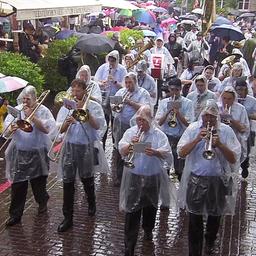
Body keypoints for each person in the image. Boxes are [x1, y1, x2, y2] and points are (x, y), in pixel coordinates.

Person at [177, 99, 241, 256]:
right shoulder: (193, 129)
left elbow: (233, 158)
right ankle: (195, 250)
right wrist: (197, 139)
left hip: (218, 181)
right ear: (201, 115)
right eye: (206, 116)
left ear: (217, 116)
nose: (208, 120)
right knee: (194, 219)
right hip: (195, 179)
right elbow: (181, 153)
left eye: (212, 116)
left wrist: (219, 145)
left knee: (215, 216)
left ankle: (210, 240)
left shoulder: (226, 131)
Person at [119, 105, 176, 256]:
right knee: (132, 211)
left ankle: (148, 230)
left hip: (152, 176)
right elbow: (121, 149)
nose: (140, 124)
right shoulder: (130, 132)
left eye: (144, 120)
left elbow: (168, 154)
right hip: (134, 176)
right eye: (138, 120)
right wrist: (131, 145)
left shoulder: (159, 135)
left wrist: (156, 152)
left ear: (150, 120)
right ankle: (129, 245)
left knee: (150, 206)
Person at [56, 79, 107, 232]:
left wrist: (85, 113)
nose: (75, 93)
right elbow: (61, 130)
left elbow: (98, 126)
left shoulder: (94, 106)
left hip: (86, 146)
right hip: (70, 146)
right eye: (73, 90)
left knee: (87, 179)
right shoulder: (67, 106)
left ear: (84, 91)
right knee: (68, 182)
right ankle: (68, 217)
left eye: (78, 90)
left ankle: (92, 203)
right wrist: (69, 120)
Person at [4, 86, 56, 227]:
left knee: (38, 183)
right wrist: (11, 128)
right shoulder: (17, 109)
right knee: (18, 185)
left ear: (35, 98)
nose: (25, 101)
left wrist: (34, 116)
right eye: (24, 98)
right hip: (20, 152)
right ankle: (15, 215)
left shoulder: (43, 110)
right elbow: (6, 130)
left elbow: (48, 130)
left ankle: (42, 201)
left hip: (38, 152)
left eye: (29, 98)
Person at [112, 72, 151, 186]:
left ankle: (136, 174)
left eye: (130, 83)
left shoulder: (143, 93)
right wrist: (116, 106)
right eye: (127, 83)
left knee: (137, 148)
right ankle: (119, 176)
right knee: (120, 148)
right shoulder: (120, 91)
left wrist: (130, 102)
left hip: (136, 125)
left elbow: (145, 108)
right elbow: (113, 106)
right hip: (121, 124)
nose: (128, 85)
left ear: (135, 82)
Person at [156, 78, 194, 180]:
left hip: (180, 137)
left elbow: (189, 124)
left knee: (180, 167)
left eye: (177, 90)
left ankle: (181, 191)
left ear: (180, 89)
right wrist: (168, 111)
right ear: (169, 89)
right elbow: (159, 122)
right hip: (166, 136)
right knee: (164, 166)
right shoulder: (163, 102)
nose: (174, 92)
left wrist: (178, 113)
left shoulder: (188, 103)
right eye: (172, 89)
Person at [94, 50, 127, 149]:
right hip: (104, 95)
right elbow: (96, 80)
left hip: (116, 97)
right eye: (110, 60)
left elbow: (125, 86)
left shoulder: (122, 70)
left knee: (115, 120)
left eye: (113, 61)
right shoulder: (103, 68)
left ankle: (115, 143)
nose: (111, 63)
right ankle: (102, 143)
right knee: (104, 119)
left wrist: (115, 82)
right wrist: (102, 83)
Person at [218, 86, 250, 166]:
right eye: (224, 98)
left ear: (234, 99)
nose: (226, 101)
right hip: (220, 139)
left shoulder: (241, 109)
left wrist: (231, 119)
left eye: (229, 99)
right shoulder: (217, 107)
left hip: (234, 139)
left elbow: (244, 129)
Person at [234, 78, 256, 178]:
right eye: (238, 89)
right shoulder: (232, 99)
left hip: (248, 128)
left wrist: (245, 114)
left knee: (246, 149)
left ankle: (245, 166)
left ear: (246, 89)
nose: (240, 92)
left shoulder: (252, 100)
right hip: (234, 129)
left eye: (242, 89)